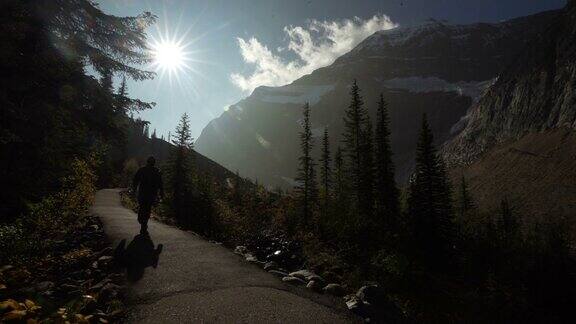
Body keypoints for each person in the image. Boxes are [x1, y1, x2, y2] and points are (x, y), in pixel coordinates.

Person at [132, 156, 164, 234]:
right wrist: (162, 193)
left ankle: (142, 221)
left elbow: (135, 180)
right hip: (151, 195)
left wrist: (134, 190)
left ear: (147, 162)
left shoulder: (142, 170)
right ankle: (144, 223)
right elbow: (160, 184)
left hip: (142, 193)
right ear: (154, 163)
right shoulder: (157, 171)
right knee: (147, 209)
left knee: (142, 207)